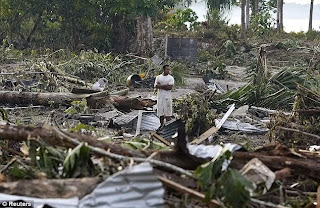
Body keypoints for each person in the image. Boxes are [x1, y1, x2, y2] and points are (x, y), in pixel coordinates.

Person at [154, 64, 174, 130]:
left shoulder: (170, 78)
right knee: (160, 112)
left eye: (169, 69)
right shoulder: (158, 77)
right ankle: (161, 125)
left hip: (167, 97)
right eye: (167, 69)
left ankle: (168, 126)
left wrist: (161, 86)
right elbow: (156, 86)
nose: (168, 70)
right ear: (163, 70)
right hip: (160, 97)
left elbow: (170, 87)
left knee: (168, 112)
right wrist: (165, 85)